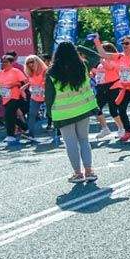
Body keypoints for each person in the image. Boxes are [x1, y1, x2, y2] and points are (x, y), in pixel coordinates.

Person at [46, 41, 100, 183]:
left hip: (63, 113)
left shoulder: (51, 72)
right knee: (84, 140)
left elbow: (49, 96)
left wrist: (50, 114)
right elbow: (96, 57)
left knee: (70, 143)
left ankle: (77, 173)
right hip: (83, 108)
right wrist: (80, 47)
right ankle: (89, 171)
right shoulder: (82, 66)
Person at [95, 35, 130, 143]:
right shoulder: (119, 56)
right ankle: (128, 132)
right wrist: (96, 40)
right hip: (124, 86)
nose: (124, 45)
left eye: (127, 43)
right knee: (121, 109)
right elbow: (102, 54)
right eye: (123, 43)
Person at [0, 53, 29, 144]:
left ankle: (10, 135)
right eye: (2, 62)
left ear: (11, 63)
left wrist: (15, 85)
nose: (3, 64)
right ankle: (25, 128)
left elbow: (25, 82)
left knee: (8, 115)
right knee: (11, 116)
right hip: (5, 97)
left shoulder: (16, 71)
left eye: (5, 62)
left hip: (15, 97)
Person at [23, 55, 49, 139]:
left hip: (46, 95)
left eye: (32, 62)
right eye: (28, 63)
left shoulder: (45, 71)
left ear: (37, 61)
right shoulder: (30, 73)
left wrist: (43, 86)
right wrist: (25, 87)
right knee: (32, 114)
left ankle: (59, 132)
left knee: (52, 113)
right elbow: (33, 82)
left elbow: (46, 82)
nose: (30, 64)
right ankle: (31, 134)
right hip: (35, 96)